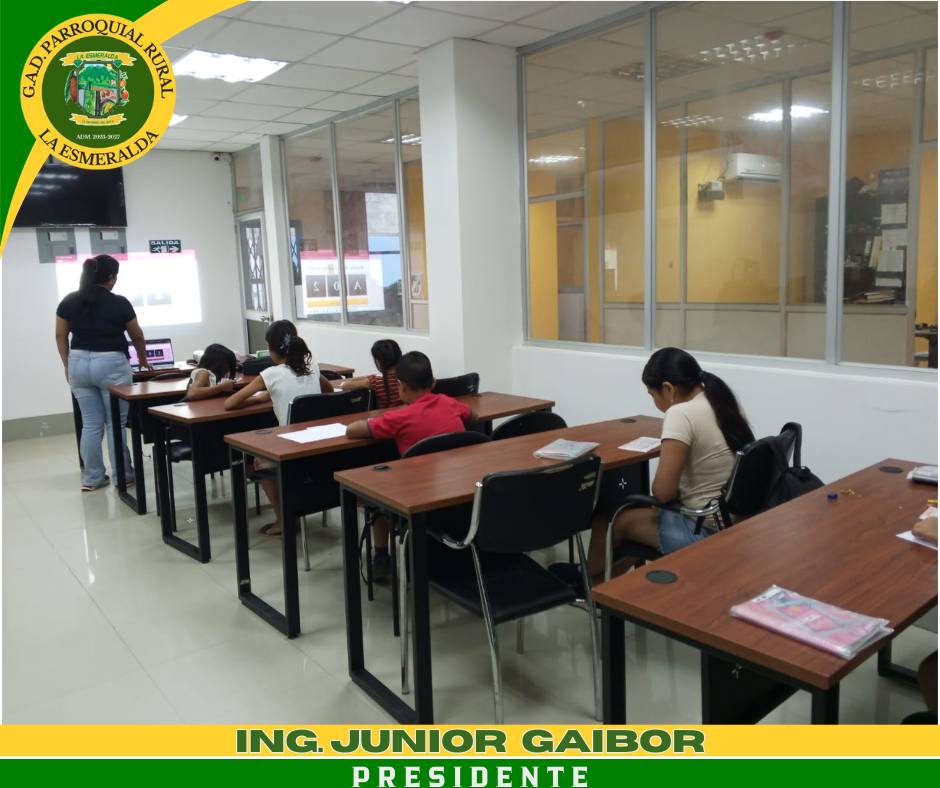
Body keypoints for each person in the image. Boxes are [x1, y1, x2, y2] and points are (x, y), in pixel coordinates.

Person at [584, 347, 755, 577]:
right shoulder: (721, 400)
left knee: (613, 521)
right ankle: (606, 585)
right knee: (639, 522)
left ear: (668, 389)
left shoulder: (680, 414)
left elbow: (663, 493)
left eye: (652, 395)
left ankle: (591, 586)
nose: (655, 401)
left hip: (706, 530)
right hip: (737, 522)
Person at [346, 350, 473, 580]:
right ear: (433, 383)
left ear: (401, 387)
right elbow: (471, 413)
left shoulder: (398, 418)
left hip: (418, 502)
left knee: (375, 489)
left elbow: (352, 430)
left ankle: (381, 554)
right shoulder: (449, 403)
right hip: (461, 498)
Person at [55, 254, 151, 491]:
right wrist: (143, 359)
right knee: (115, 423)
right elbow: (137, 335)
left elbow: (60, 335)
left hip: (78, 362)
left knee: (90, 423)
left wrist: (67, 365)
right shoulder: (119, 302)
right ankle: (123, 476)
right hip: (111, 364)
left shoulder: (69, 300)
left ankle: (92, 478)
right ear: (111, 277)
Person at [224, 320, 322, 535]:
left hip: (291, 449)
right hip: (319, 445)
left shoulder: (270, 374)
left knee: (259, 460)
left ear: (271, 349)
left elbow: (230, 403)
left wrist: (259, 398)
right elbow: (329, 392)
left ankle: (283, 520)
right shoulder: (313, 367)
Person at [335, 339, 402, 409]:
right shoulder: (405, 377)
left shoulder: (376, 382)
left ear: (378, 362)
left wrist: (370, 378)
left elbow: (345, 386)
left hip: (383, 414)